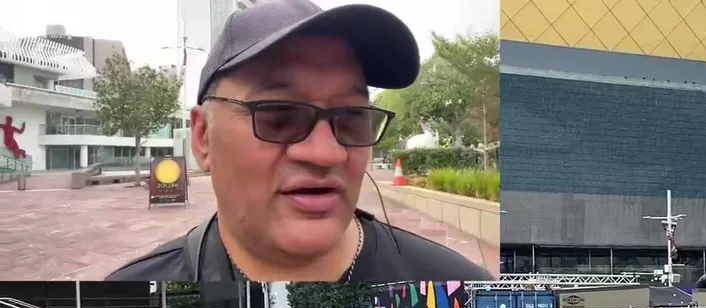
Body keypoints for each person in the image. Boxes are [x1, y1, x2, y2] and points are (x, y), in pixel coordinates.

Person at [106, 0, 491, 283]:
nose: (326, 153)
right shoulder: (136, 285)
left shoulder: (460, 287)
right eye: (278, 115)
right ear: (204, 137)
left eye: (351, 118)